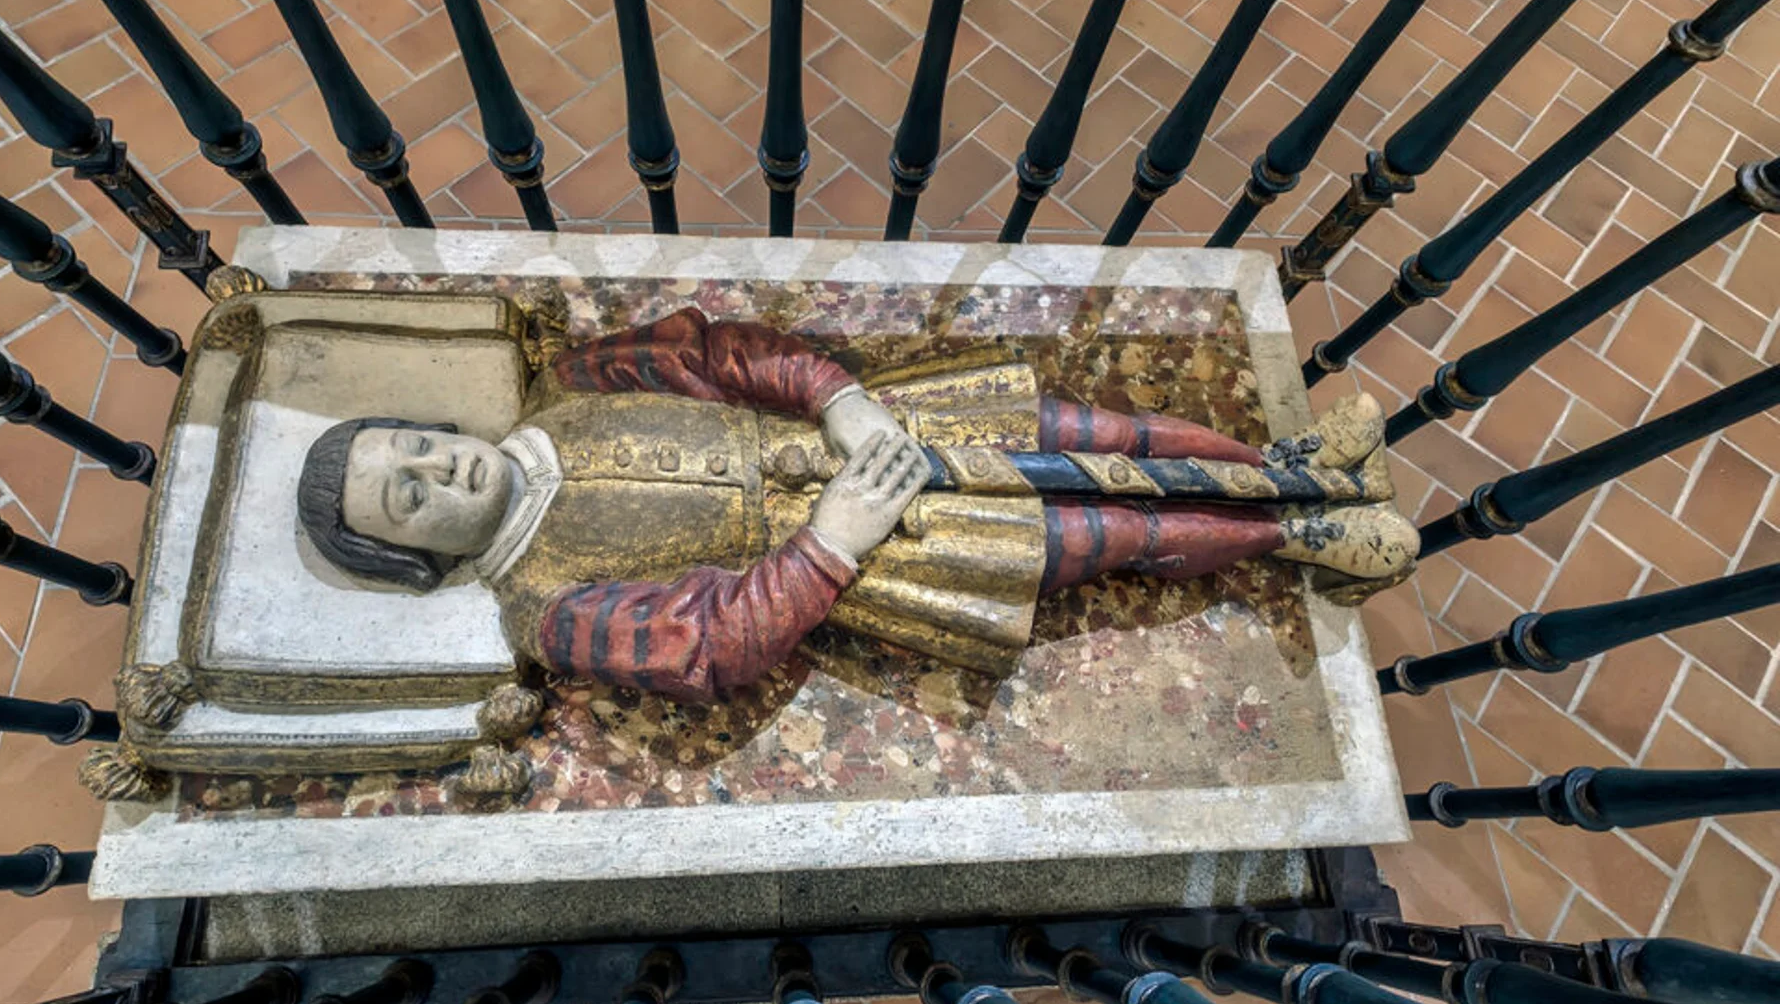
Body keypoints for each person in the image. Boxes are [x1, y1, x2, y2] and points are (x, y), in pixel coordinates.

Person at [297, 308, 1414, 701]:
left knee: (1087, 432)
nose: (439, 470)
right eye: (409, 498)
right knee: (1105, 533)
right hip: (875, 550)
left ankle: (1282, 462)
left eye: (417, 448)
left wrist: (837, 402)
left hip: (871, 432)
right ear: (414, 557)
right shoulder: (542, 608)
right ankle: (1291, 534)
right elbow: (710, 644)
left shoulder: (580, 382)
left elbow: (728, 353)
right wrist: (831, 541)